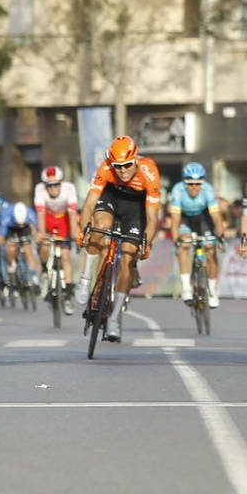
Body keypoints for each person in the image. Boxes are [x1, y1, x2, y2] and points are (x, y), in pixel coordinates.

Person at [76, 136, 162, 343]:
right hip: (111, 197)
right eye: (118, 167)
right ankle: (85, 279)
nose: (122, 171)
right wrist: (83, 230)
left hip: (135, 207)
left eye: (127, 165)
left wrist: (146, 243)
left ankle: (114, 319)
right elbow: (88, 206)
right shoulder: (105, 168)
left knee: (127, 258)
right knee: (99, 227)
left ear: (136, 160)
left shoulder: (149, 172)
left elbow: (152, 218)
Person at [168, 160, 226, 308]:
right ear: (184, 183)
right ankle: (186, 286)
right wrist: (176, 241)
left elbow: (216, 216)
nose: (194, 188)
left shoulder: (208, 190)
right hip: (185, 219)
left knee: (210, 248)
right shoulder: (178, 190)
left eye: (198, 184)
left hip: (203, 218)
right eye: (190, 184)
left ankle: (212, 291)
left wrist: (220, 235)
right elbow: (175, 219)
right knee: (185, 245)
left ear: (203, 182)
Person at [34, 165, 81, 306]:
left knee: (65, 256)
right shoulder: (40, 190)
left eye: (56, 185)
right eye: (49, 185)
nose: (53, 188)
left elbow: (72, 213)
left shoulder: (69, 189)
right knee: (44, 246)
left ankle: (67, 288)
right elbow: (41, 215)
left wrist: (74, 231)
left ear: (60, 183)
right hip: (48, 218)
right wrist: (41, 232)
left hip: (64, 219)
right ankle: (44, 268)